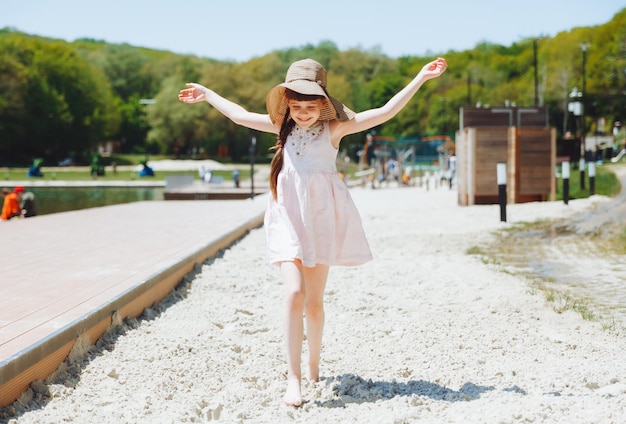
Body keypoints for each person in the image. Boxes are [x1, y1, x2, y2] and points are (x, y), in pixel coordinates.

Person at [178, 57, 447, 406]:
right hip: (287, 220)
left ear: (323, 105)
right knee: (294, 294)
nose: (303, 113)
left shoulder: (333, 130)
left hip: (320, 222)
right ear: (287, 106)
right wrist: (208, 94)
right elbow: (239, 114)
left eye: (310, 105)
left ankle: (314, 365)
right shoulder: (280, 128)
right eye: (296, 105)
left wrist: (420, 78)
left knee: (315, 304)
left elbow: (384, 112)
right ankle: (294, 379)